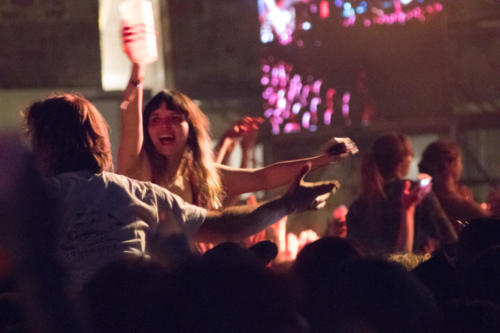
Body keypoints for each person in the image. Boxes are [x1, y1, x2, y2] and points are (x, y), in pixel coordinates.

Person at [23, 93, 338, 295]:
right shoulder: (140, 191)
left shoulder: (29, 201)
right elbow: (229, 225)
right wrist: (289, 202)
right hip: (144, 317)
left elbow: (257, 180)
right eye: (157, 120)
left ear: (44, 144)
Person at [118, 61, 358, 211]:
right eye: (155, 120)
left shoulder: (202, 175)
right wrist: (138, 68)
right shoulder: (139, 171)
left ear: (190, 128)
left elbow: (261, 178)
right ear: (146, 131)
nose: (165, 126)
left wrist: (326, 158)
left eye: (174, 118)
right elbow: (130, 123)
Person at [346, 132, 457, 255]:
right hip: (415, 273)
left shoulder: (357, 208)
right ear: (401, 161)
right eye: (410, 154)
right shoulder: (417, 193)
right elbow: (450, 240)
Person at [418, 140, 497, 226]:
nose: (461, 166)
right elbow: (493, 225)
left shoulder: (422, 198)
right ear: (450, 164)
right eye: (460, 161)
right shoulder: (457, 203)